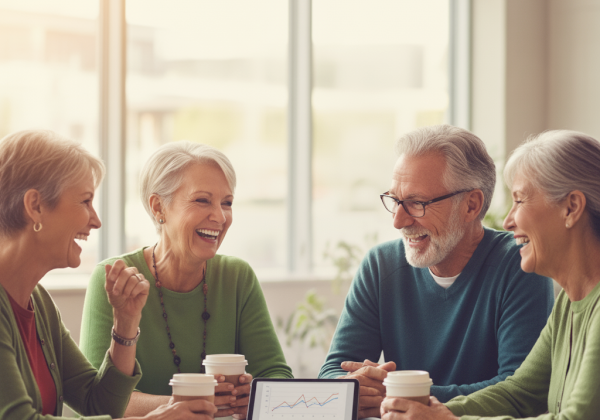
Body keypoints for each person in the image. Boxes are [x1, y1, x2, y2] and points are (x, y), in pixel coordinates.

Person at [319, 124, 555, 418]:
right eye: (395, 200)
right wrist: (354, 387)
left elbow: (519, 392)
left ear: (471, 205)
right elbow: (332, 371)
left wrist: (399, 393)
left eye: (417, 203)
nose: (398, 221)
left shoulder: (521, 264)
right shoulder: (380, 265)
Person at [381, 129, 600, 419]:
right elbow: (519, 392)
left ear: (571, 208)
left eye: (520, 200)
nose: (508, 221)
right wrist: (433, 411)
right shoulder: (569, 304)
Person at [0, 130, 217, 420]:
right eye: (85, 201)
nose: (96, 220)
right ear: (36, 206)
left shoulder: (37, 303)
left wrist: (125, 323)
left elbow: (98, 404)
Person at [80, 141, 293, 418]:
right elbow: (100, 401)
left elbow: (277, 375)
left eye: (227, 203)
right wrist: (189, 404)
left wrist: (255, 394)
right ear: (159, 208)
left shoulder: (237, 277)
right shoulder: (116, 279)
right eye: (202, 200)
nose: (219, 216)